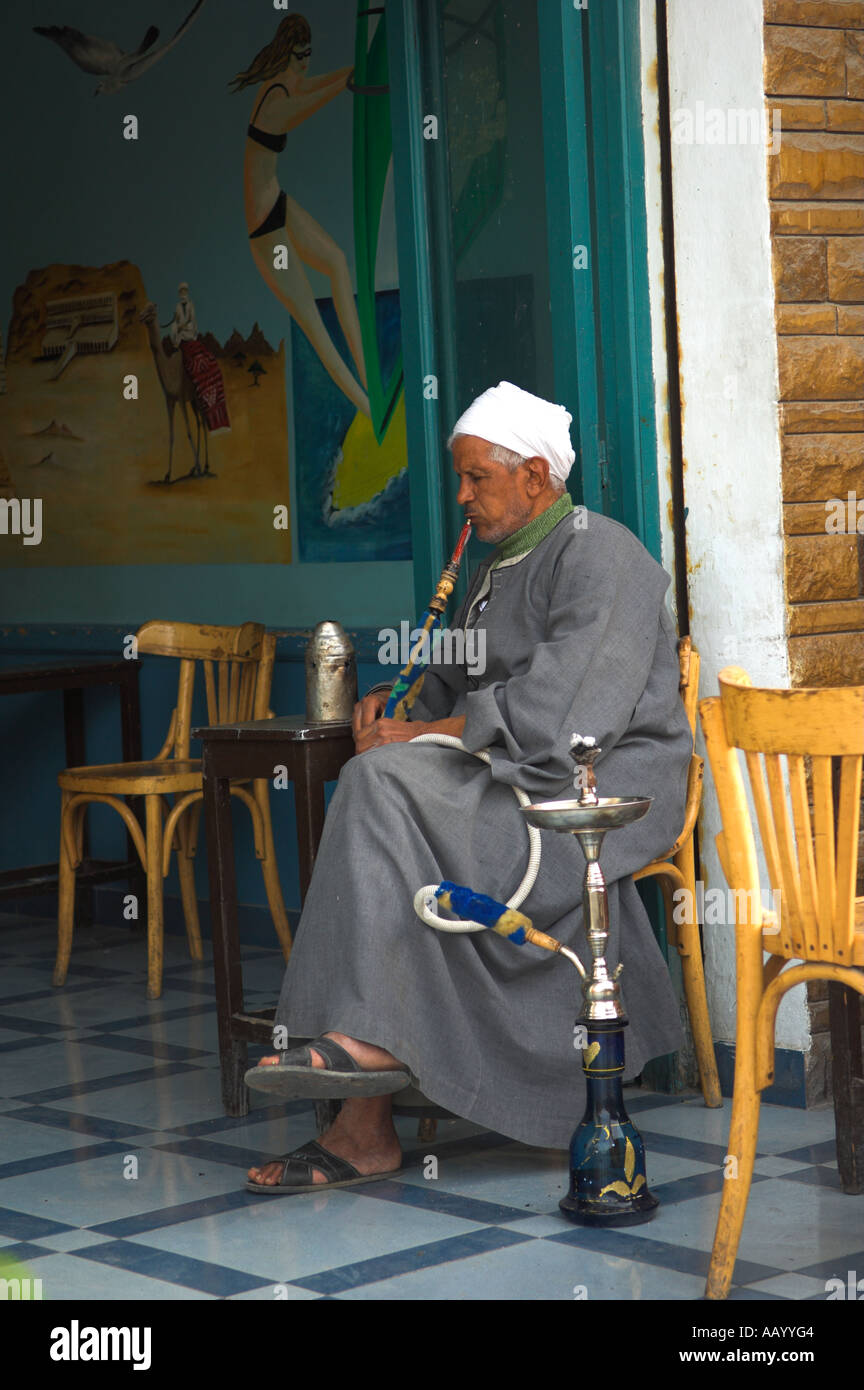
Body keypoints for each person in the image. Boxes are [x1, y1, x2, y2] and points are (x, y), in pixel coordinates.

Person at [246, 381, 693, 1194]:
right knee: (381, 799)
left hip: (592, 788)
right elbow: (458, 687)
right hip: (509, 773)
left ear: (532, 474)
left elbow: (564, 717)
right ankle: (364, 1092)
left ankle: (363, 1105)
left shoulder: (603, 555)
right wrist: (402, 702)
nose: (461, 496)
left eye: (474, 477)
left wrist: (413, 739)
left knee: (381, 784)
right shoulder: (494, 569)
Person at [229, 15, 370, 419]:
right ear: (286, 53)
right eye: (300, 55)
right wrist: (347, 83)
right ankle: (367, 407)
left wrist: (355, 69)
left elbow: (315, 82)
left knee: (338, 262)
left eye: (309, 54)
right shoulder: (274, 102)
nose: (306, 61)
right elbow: (306, 105)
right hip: (264, 229)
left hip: (278, 203)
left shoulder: (287, 79)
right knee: (315, 325)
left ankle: (367, 372)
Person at [167, 283, 197, 348]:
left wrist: (183, 326)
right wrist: (176, 320)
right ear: (179, 293)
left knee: (181, 333)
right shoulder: (178, 306)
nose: (183, 293)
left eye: (184, 291)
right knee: (174, 326)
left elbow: (192, 319)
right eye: (181, 292)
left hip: (189, 329)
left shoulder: (191, 305)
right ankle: (175, 344)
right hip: (180, 328)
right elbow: (177, 319)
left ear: (187, 292)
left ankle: (176, 346)